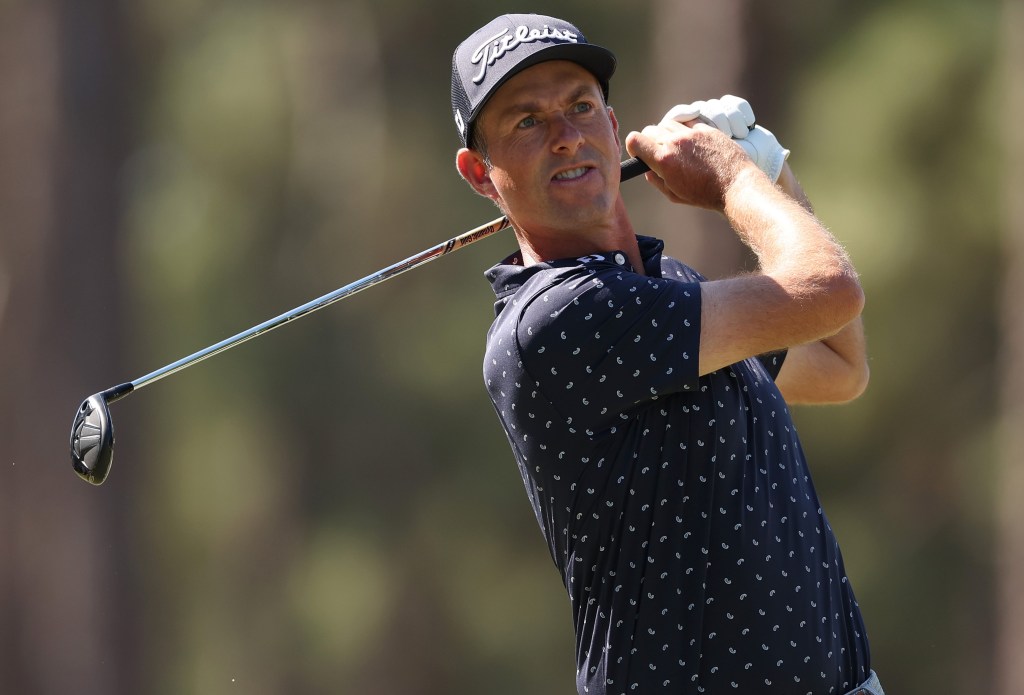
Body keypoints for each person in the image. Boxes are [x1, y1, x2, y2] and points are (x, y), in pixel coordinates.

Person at [452, 13, 882, 695]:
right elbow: (826, 290)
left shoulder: (669, 289)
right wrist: (736, 179)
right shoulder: (556, 321)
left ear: (613, 123)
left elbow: (837, 362)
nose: (567, 136)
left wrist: (772, 172)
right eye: (527, 122)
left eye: (580, 106)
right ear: (480, 173)